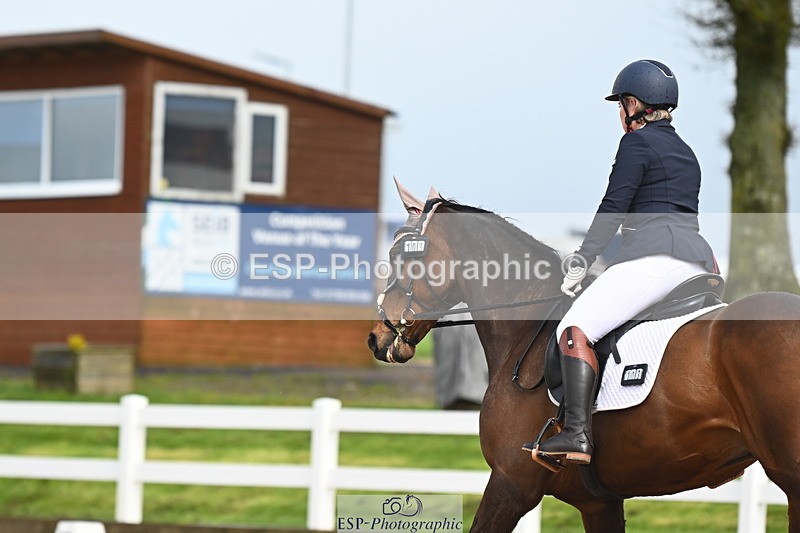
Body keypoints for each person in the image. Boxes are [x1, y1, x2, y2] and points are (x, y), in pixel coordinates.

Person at [528, 60, 718, 465]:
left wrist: (582, 259)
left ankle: (577, 433)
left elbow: (614, 208)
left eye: (621, 104)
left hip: (655, 258)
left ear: (634, 105)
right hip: (698, 261)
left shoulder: (636, 143)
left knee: (575, 329)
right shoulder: (686, 151)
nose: (620, 113)